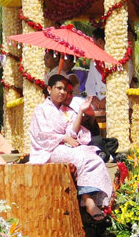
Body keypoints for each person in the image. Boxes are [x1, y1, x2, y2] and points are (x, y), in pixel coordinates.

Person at [29, 74, 112, 222]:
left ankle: (94, 200)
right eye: (58, 88)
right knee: (82, 158)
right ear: (49, 89)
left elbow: (72, 133)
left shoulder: (67, 111)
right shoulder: (40, 110)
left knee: (95, 158)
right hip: (49, 150)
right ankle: (88, 201)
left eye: (65, 90)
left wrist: (80, 111)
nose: (62, 92)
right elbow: (41, 135)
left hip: (66, 147)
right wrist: (62, 138)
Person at [85, 28, 106, 110]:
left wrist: (107, 100)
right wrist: (93, 98)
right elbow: (89, 84)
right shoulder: (94, 62)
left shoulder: (119, 60)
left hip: (114, 101)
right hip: (97, 103)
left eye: (93, 43)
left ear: (100, 41)